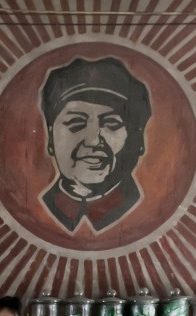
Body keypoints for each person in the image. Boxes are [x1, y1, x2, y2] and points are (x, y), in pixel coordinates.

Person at [39, 56, 151, 232]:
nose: (93, 140)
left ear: (139, 139)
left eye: (111, 124)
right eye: (76, 123)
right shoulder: (41, 209)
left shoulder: (148, 212)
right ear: (51, 139)